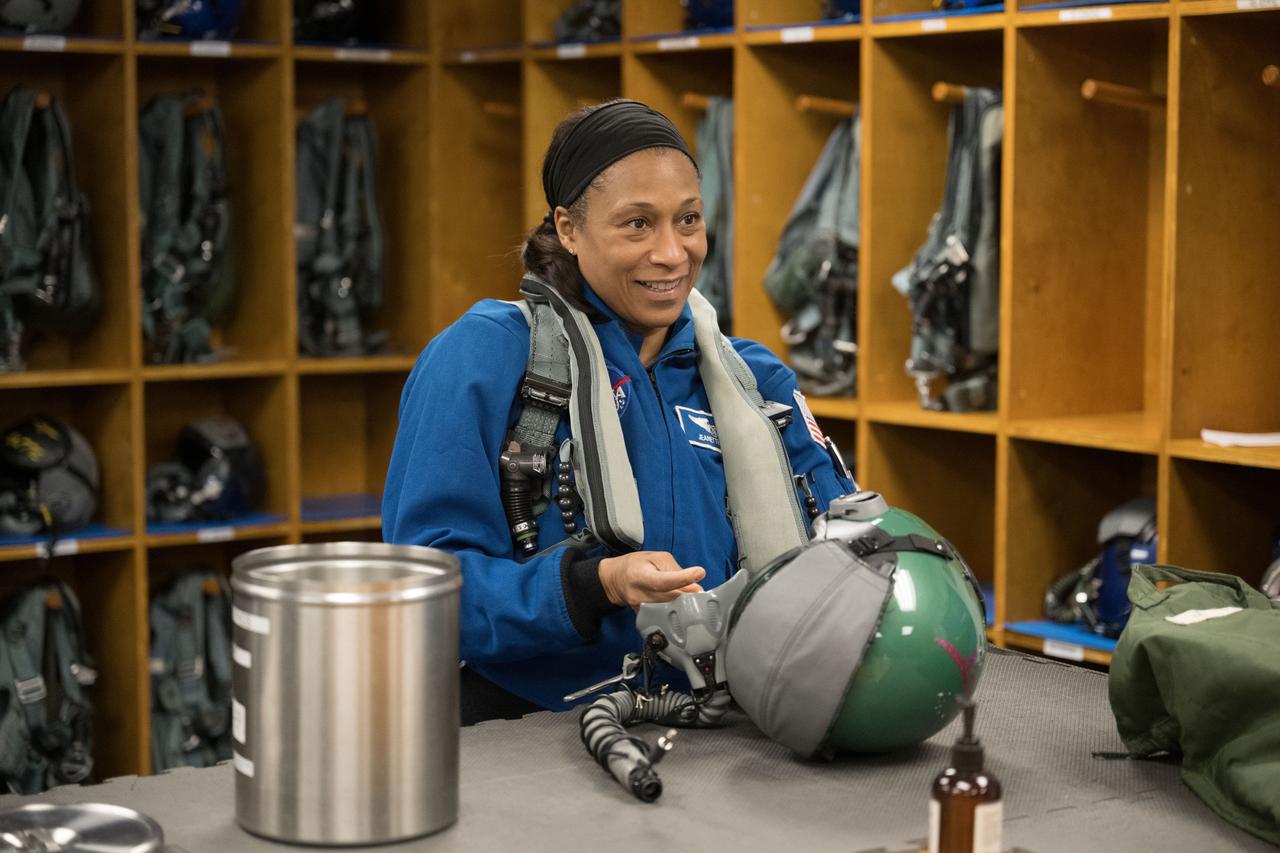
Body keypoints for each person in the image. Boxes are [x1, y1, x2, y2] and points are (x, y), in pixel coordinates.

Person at [383, 99, 854, 724]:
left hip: (730, 731)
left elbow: (842, 544)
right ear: (569, 228)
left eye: (688, 219)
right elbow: (424, 591)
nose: (671, 253)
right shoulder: (485, 357)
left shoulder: (752, 379)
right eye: (637, 224)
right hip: (528, 731)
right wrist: (593, 585)